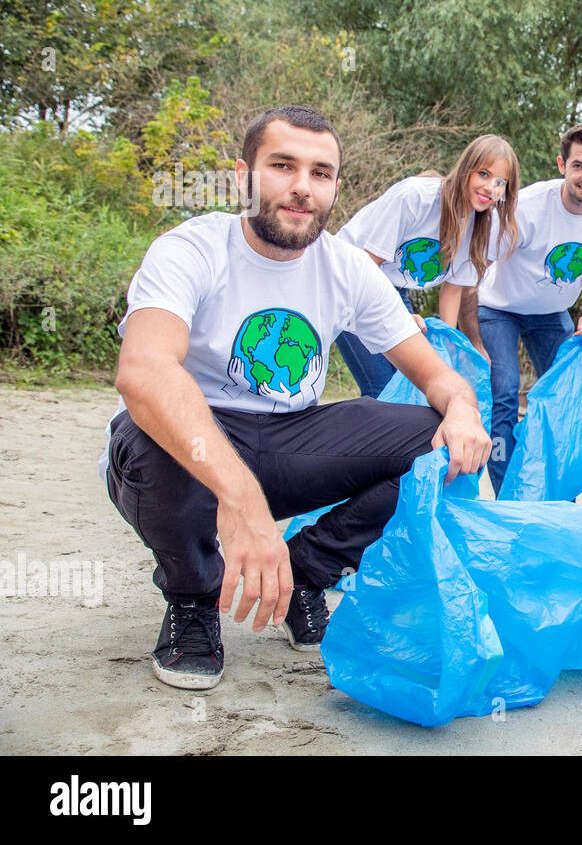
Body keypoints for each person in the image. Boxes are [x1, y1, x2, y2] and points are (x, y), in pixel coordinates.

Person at [102, 105, 492, 691]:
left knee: (437, 443)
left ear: (336, 186)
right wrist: (242, 503)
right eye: (283, 166)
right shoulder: (192, 248)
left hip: (290, 439)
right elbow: (143, 370)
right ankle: (192, 599)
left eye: (321, 172)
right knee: (152, 433)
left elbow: (442, 378)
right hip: (195, 446)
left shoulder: (346, 268)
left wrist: (462, 411)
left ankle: (307, 573)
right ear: (244, 175)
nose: (302, 188)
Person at [468, 123, 582, 493]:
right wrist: (471, 336)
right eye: (578, 166)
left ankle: (556, 497)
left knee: (571, 400)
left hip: (552, 313)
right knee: (504, 393)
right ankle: (508, 499)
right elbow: (473, 268)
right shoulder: (526, 207)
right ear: (561, 165)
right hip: (499, 308)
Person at [334, 135, 520, 397]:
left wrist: (447, 348)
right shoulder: (416, 197)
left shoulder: (479, 225)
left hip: (393, 288)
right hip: (349, 280)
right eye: (484, 174)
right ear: (466, 168)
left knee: (413, 386)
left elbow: (453, 290)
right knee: (382, 389)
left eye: (500, 182)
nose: (491, 187)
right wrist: (395, 316)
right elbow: (366, 266)